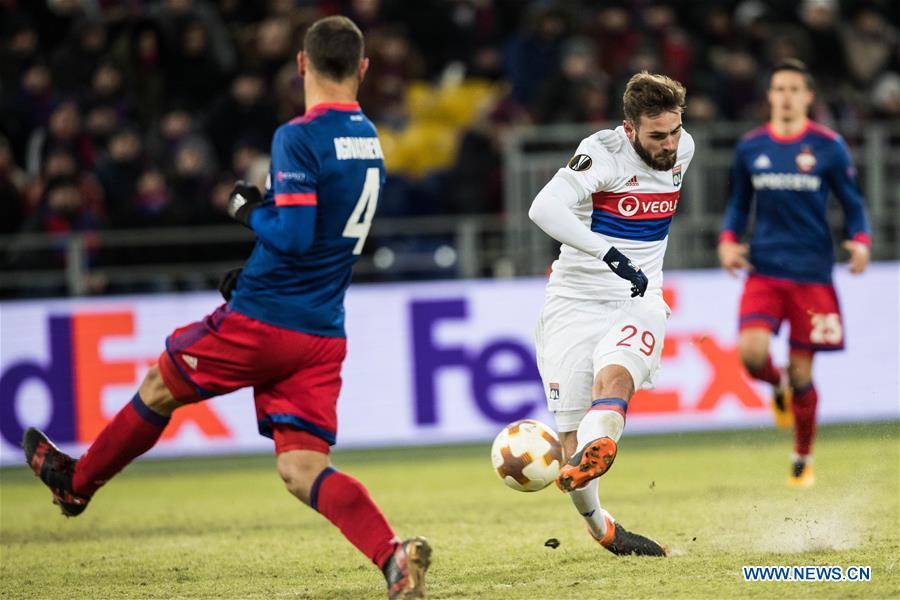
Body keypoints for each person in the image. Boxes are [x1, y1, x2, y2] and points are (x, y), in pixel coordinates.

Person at [22, 16, 431, 599]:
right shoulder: (370, 141)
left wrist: (246, 208)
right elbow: (320, 239)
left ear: (301, 65)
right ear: (363, 69)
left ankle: (76, 483)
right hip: (320, 331)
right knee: (302, 470)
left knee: (159, 386)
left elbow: (291, 233)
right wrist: (261, 259)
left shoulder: (299, 135)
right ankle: (392, 558)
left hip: (265, 321)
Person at [528, 71, 695, 556]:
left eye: (675, 131)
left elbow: (675, 151)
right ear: (629, 129)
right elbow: (544, 208)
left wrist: (628, 268)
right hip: (573, 300)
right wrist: (608, 253)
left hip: (639, 296)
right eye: (656, 135)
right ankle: (601, 526)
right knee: (568, 445)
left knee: (616, 373)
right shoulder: (601, 152)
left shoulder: (685, 148)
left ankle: (602, 446)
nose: (668, 144)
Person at [717, 59, 871, 488]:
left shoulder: (829, 146)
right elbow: (737, 203)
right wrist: (729, 239)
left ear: (807, 97)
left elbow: (853, 203)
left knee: (806, 375)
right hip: (764, 269)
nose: (785, 96)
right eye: (778, 88)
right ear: (769, 96)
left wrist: (861, 240)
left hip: (812, 274)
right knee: (751, 354)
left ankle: (802, 458)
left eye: (793, 89)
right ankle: (776, 381)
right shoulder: (751, 148)